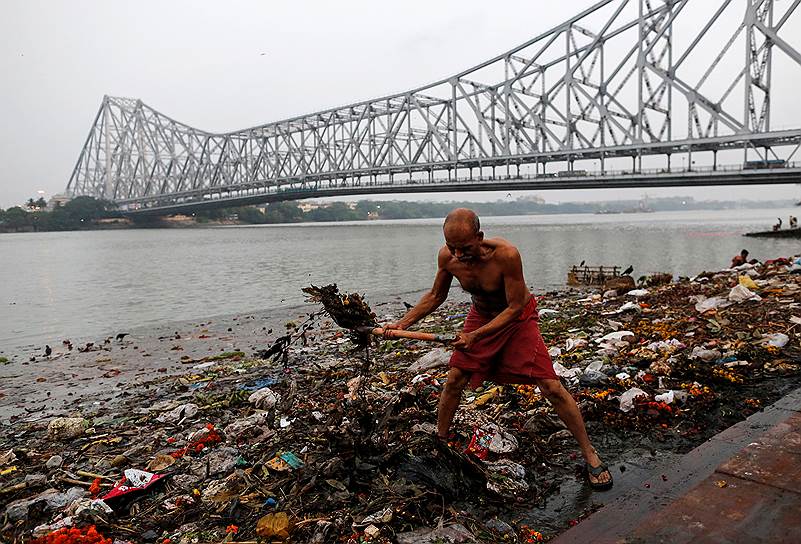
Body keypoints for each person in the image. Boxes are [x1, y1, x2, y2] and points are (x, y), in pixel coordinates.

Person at [386, 208, 613, 490]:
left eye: (465, 248)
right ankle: (440, 443)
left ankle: (590, 453)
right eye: (451, 247)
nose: (457, 255)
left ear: (480, 237)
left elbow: (517, 306)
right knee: (455, 378)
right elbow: (435, 295)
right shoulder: (448, 257)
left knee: (551, 386)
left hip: (516, 319)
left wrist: (475, 336)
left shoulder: (506, 255)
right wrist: (400, 323)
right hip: (481, 315)